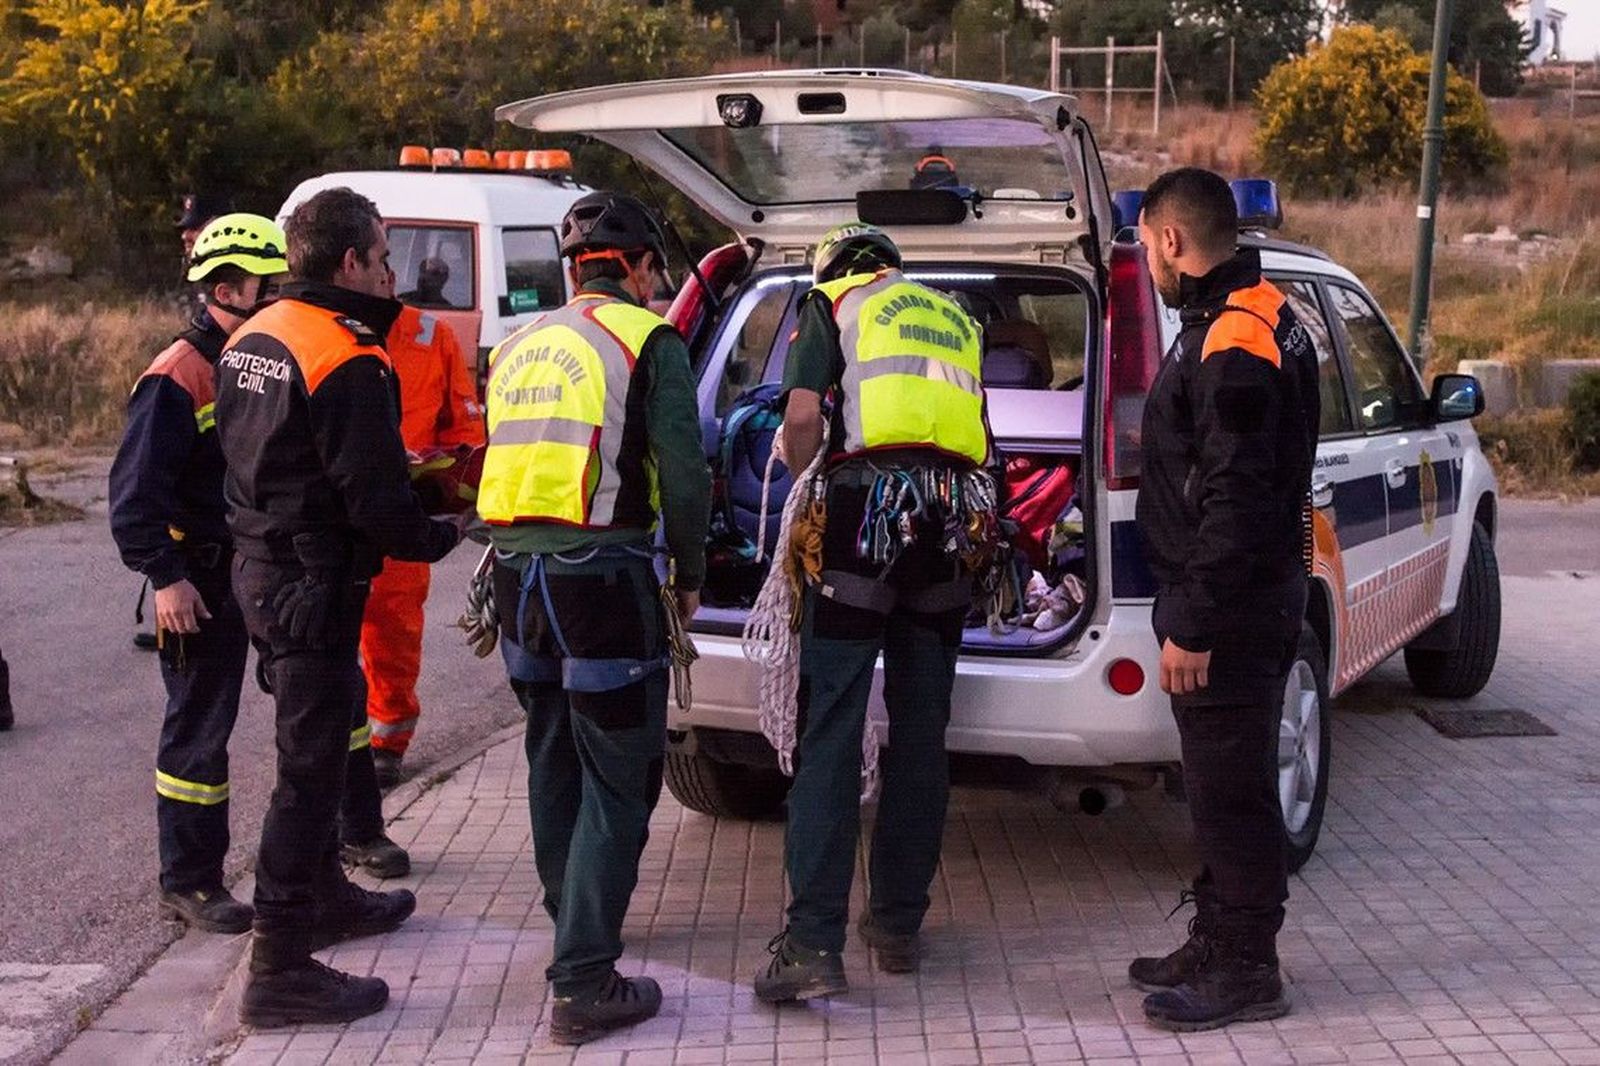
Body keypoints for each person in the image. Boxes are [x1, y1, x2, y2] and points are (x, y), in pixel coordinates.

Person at [214, 187, 461, 1027]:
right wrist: (441, 532)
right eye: (386, 257)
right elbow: (373, 495)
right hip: (312, 583)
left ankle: (323, 897)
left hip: (263, 568)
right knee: (308, 775)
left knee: (327, 733)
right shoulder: (347, 352)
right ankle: (279, 965)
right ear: (351, 262)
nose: (395, 274)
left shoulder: (259, 331)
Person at [480, 191, 709, 1044]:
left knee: (552, 752)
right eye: (655, 271)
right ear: (641, 267)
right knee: (620, 774)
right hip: (603, 582)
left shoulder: (517, 342)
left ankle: (575, 914)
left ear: (573, 269)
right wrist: (689, 574)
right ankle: (582, 979)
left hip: (516, 581)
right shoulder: (649, 340)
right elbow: (684, 475)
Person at [755, 223, 993, 1002]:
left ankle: (812, 947)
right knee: (922, 730)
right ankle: (897, 927)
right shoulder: (955, 316)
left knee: (832, 725)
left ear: (835, 269)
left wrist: (803, 476)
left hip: (866, 516)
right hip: (952, 523)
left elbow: (798, 420)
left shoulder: (833, 303)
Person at [1129, 167, 1319, 1032]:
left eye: (1145, 245)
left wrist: (1195, 622)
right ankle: (1219, 935)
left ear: (1172, 239)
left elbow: (1237, 498)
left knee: (1233, 792)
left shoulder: (1235, 338)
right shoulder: (1242, 313)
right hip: (1242, 599)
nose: (1147, 262)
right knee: (1214, 786)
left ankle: (1249, 967)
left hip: (1233, 613)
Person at [109, 213, 289, 934]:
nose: (278, 291)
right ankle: (189, 882)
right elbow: (134, 498)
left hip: (257, 565)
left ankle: (339, 841)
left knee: (317, 705)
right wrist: (167, 578)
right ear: (227, 286)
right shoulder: (178, 374)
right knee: (198, 734)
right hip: (199, 581)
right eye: (267, 281)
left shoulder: (259, 356)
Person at [355, 265, 486, 792]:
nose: (385, 275)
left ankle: (386, 741)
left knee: (394, 626)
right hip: (342, 504)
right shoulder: (328, 332)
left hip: (406, 506)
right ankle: (337, 737)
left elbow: (464, 426)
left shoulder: (432, 336)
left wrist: (449, 480)